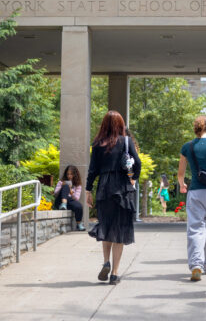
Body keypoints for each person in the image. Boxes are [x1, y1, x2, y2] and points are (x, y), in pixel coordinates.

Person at [85, 111, 141, 285]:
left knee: (106, 226)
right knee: (120, 229)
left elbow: (92, 169)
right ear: (120, 125)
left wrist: (88, 190)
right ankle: (115, 273)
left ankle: (106, 262)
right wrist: (133, 178)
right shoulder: (126, 141)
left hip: (104, 188)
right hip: (122, 188)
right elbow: (137, 163)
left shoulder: (97, 143)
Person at [178, 115, 206, 281]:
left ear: (195, 128)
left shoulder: (187, 147)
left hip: (195, 191)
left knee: (195, 229)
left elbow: (181, 173)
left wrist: (182, 184)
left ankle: (196, 264)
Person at [53, 165, 85, 231]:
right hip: (60, 202)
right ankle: (63, 204)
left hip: (70, 201)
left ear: (75, 175)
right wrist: (62, 186)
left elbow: (76, 198)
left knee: (79, 206)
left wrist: (71, 191)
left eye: (71, 174)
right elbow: (55, 194)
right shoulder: (61, 182)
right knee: (66, 186)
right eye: (68, 174)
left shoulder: (78, 185)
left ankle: (79, 224)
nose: (69, 176)